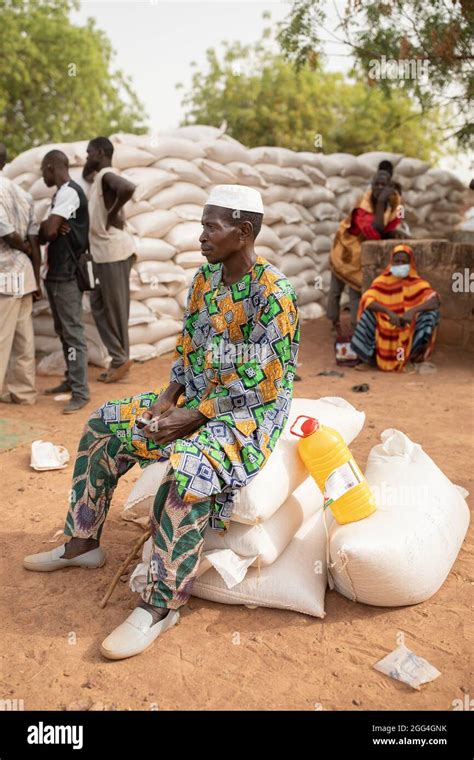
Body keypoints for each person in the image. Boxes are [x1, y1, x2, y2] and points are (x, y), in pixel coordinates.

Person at [23, 184, 300, 660]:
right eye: (201, 225)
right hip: (192, 399)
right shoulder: (203, 281)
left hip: (246, 415)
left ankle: (160, 604)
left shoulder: (274, 294)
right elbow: (187, 352)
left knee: (189, 466)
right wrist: (166, 402)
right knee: (104, 424)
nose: (201, 236)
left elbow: (266, 381)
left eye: (212, 226)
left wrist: (191, 418)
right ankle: (82, 541)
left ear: (244, 231)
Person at [40, 150, 90, 414]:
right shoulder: (61, 194)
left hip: (66, 275)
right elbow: (47, 232)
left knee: (73, 334)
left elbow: (47, 232)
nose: (41, 175)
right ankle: (71, 380)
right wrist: (48, 226)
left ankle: (80, 392)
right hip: (56, 275)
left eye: (43, 170)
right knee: (64, 333)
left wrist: (49, 226)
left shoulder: (70, 192)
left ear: (51, 167)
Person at [82, 137, 136, 383]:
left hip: (114, 252)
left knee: (114, 308)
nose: (86, 156)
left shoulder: (106, 174)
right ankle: (119, 358)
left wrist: (112, 214)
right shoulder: (99, 177)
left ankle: (119, 359)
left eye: (89, 152)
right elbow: (87, 173)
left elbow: (128, 188)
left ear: (101, 153)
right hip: (104, 254)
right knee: (100, 304)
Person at [327, 161, 404, 331]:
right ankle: (334, 322)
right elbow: (374, 233)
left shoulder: (392, 202)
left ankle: (356, 328)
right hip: (345, 251)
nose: (379, 187)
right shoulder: (364, 205)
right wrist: (381, 202)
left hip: (360, 254)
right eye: (376, 184)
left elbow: (388, 226)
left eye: (383, 185)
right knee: (335, 290)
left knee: (356, 293)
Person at [350, 243, 440, 372]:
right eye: (397, 261)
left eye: (404, 262)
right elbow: (367, 299)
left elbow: (435, 301)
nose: (400, 264)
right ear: (392, 262)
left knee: (430, 315)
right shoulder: (382, 281)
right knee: (367, 314)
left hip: (409, 324)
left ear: (410, 264)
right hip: (386, 322)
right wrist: (388, 312)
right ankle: (370, 360)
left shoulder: (418, 283)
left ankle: (411, 359)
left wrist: (412, 311)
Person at [0, 143, 41, 404]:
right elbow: (34, 235)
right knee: (23, 337)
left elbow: (6, 232)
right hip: (24, 273)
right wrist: (36, 275)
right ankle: (23, 391)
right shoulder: (22, 192)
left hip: (5, 272)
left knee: (1, 336)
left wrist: (21, 246)